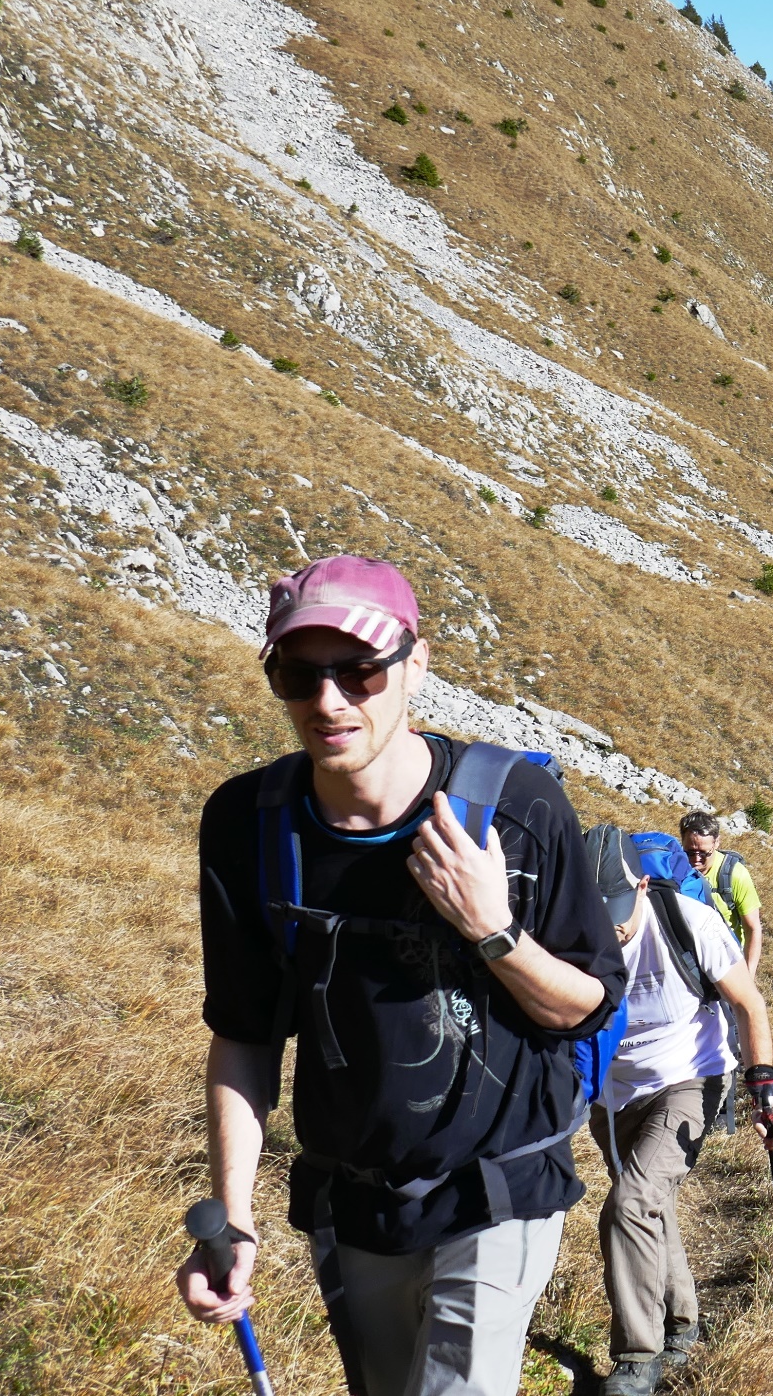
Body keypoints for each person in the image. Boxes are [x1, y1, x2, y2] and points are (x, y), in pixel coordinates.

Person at [178, 556, 624, 1396]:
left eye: (359, 672)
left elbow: (588, 1009)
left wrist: (491, 929)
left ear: (415, 665)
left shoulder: (519, 810)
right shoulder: (247, 823)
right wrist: (232, 1217)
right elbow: (243, 1035)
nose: (329, 701)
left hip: (499, 1187)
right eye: (298, 676)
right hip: (352, 1201)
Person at [592, 823, 773, 1395]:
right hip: (615, 1093)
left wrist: (764, 1094)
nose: (615, 925)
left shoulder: (690, 923)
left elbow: (749, 1004)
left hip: (691, 1078)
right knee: (650, 1206)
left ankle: (636, 1358)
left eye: (622, 907)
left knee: (630, 1201)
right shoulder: (571, 927)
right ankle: (683, 1323)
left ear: (644, 887)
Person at [677, 810, 761, 971]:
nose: (696, 860)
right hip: (688, 963)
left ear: (716, 843)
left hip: (727, 964)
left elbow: (753, 928)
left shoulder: (735, 875)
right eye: (690, 852)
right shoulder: (675, 870)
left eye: (704, 853)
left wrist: (748, 978)